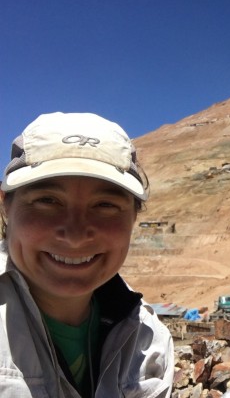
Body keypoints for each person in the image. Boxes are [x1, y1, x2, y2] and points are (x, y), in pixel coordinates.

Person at [0, 112, 174, 397]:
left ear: (132, 217)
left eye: (105, 205)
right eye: (47, 200)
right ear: (6, 205)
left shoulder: (149, 338)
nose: (76, 234)